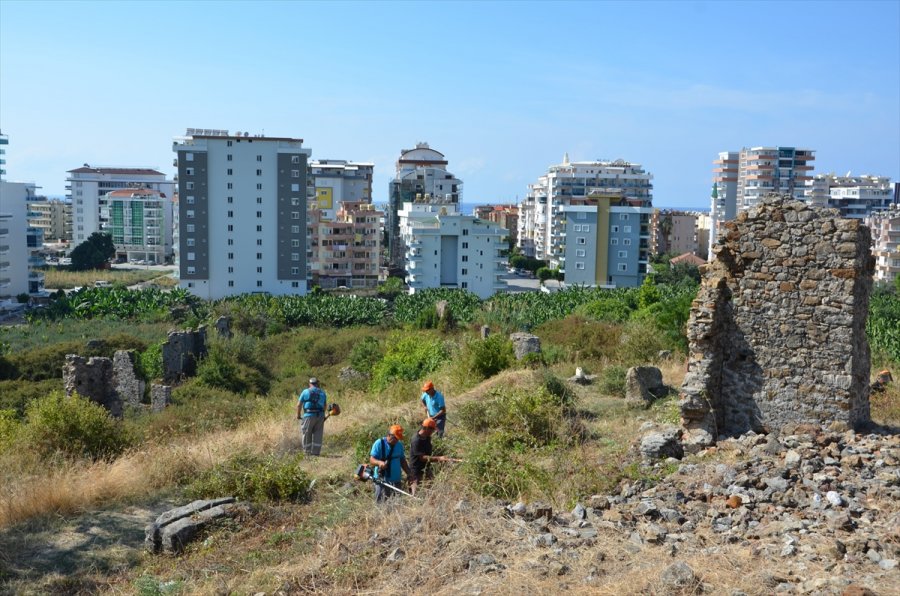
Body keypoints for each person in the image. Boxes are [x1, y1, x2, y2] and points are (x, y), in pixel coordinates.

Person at [369, 425, 411, 502]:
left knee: (397, 503)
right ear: (389, 435)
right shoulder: (379, 443)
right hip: (382, 480)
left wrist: (409, 473)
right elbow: (372, 460)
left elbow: (402, 460)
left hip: (396, 480)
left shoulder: (399, 445)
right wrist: (379, 462)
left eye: (398, 438)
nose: (396, 440)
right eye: (395, 438)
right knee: (381, 504)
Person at [409, 418, 450, 496]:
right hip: (416, 470)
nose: (433, 432)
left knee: (431, 488)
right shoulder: (416, 440)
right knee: (415, 493)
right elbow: (422, 457)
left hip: (426, 467)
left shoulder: (427, 437)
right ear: (427, 428)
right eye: (432, 430)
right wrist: (439, 458)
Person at [297, 377, 327, 456]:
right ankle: (316, 453)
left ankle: (307, 452)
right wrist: (322, 416)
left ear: (310, 384)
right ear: (317, 384)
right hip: (320, 415)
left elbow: (299, 405)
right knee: (318, 434)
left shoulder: (305, 391)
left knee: (307, 433)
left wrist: (298, 415)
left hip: (308, 415)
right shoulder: (322, 393)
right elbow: (325, 406)